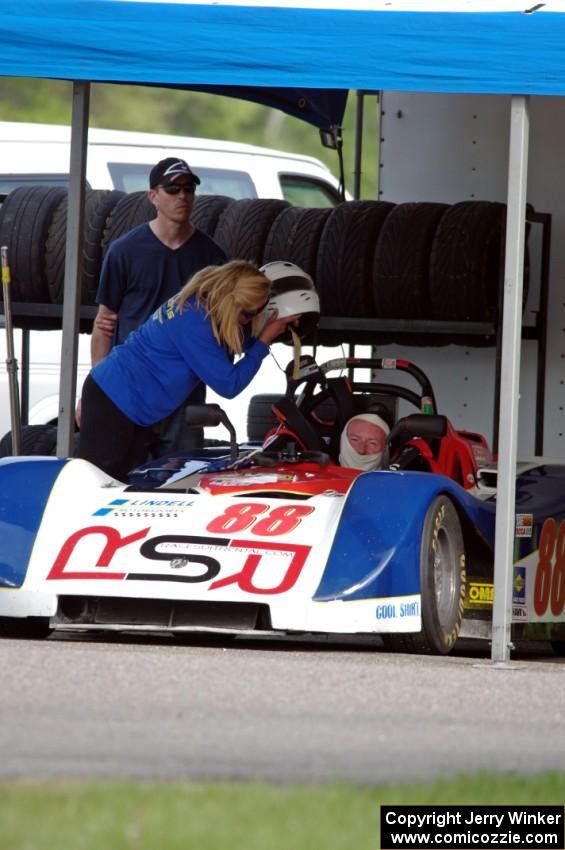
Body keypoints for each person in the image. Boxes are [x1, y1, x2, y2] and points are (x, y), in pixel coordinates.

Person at [78, 260, 299, 480]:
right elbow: (229, 385)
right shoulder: (195, 322)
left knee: (122, 485)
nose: (251, 321)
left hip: (128, 404)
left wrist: (265, 334)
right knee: (96, 485)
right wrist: (264, 341)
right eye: (251, 315)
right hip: (114, 400)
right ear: (233, 306)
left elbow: (234, 340)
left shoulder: (204, 302)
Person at [88, 156, 226, 455]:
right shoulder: (124, 251)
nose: (182, 196)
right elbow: (104, 323)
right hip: (129, 392)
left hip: (184, 398)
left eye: (188, 189)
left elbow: (223, 328)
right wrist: (99, 393)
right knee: (120, 484)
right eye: (172, 189)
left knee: (181, 486)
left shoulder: (213, 258)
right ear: (153, 196)